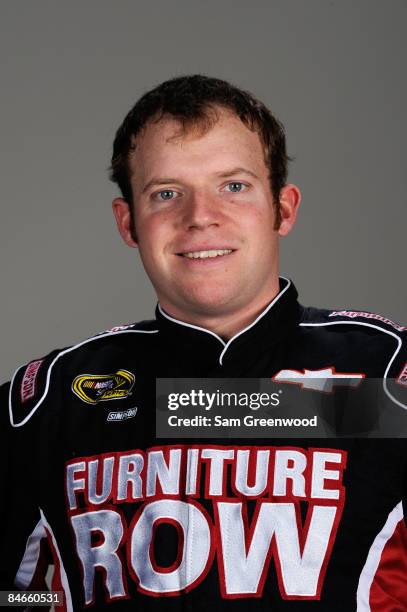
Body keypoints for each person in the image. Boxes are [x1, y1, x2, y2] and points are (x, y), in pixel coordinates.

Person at [0, 75, 406, 611]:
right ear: (129, 224)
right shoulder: (51, 399)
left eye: (233, 186)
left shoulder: (388, 372)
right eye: (166, 194)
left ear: (284, 209)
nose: (199, 217)